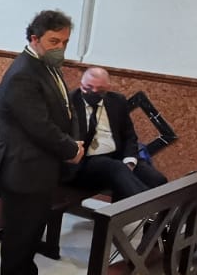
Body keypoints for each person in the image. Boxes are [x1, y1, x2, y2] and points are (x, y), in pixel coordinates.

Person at [0, 10, 82, 275]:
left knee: (32, 230)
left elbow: (65, 109)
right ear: (34, 38)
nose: (60, 47)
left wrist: (74, 141)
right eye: (54, 40)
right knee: (19, 233)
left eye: (65, 41)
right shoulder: (23, 74)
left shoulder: (44, 65)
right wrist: (70, 148)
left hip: (40, 167)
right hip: (22, 167)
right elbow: (38, 125)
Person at [70, 67, 168, 198]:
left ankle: (166, 215)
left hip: (117, 156)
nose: (93, 92)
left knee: (156, 179)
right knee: (116, 168)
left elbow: (129, 135)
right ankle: (146, 208)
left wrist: (130, 160)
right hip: (86, 161)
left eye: (99, 90)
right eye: (88, 88)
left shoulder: (116, 101)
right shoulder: (69, 102)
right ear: (81, 84)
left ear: (107, 88)